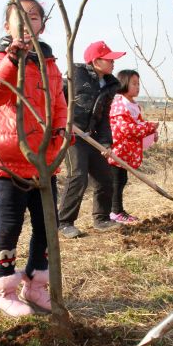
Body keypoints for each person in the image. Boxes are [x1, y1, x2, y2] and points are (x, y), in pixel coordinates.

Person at [0, 0, 67, 317]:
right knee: (9, 227)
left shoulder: (50, 62)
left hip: (43, 160)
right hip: (8, 159)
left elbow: (58, 102)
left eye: (35, 17)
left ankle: (36, 283)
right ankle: (5, 289)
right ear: (8, 26)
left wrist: (60, 131)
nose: (28, 23)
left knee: (47, 225)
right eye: (21, 17)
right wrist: (11, 60)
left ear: (43, 25)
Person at [57, 41, 125, 239]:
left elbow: (104, 117)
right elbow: (56, 97)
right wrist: (62, 123)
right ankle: (64, 222)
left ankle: (102, 218)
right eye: (110, 59)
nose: (113, 63)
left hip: (90, 135)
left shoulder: (110, 84)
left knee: (105, 177)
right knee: (78, 175)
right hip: (71, 134)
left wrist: (105, 143)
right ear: (96, 61)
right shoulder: (76, 75)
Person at [107, 69, 158, 223]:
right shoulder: (119, 104)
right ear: (123, 84)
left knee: (121, 181)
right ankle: (115, 211)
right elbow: (127, 129)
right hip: (117, 150)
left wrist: (150, 133)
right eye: (134, 84)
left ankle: (118, 210)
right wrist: (149, 127)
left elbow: (137, 124)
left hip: (126, 152)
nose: (137, 87)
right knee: (117, 181)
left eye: (138, 84)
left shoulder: (133, 104)